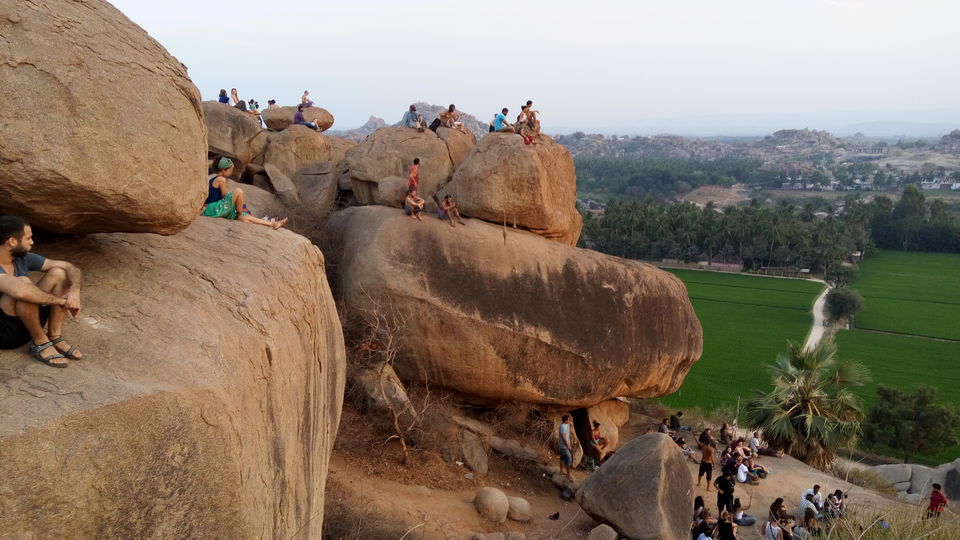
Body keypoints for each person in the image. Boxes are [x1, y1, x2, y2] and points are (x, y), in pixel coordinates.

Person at [0, 216, 84, 368]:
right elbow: (20, 292)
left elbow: (69, 266)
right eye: (28, 238)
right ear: (12, 241)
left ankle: (54, 335)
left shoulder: (21, 258)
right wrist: (64, 303)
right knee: (24, 284)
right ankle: (41, 342)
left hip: (26, 323)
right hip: (5, 333)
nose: (32, 242)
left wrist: (74, 292)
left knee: (59, 273)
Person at [202, 157, 288, 229]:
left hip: (211, 207)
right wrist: (237, 205)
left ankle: (272, 224)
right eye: (230, 170)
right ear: (224, 170)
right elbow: (225, 196)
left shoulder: (212, 177)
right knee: (238, 192)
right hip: (214, 208)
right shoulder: (221, 179)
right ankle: (240, 214)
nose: (231, 172)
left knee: (245, 218)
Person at [558, 414, 573, 480]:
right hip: (564, 446)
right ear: (566, 420)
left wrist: (571, 425)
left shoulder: (565, 425)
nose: (569, 420)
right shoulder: (563, 427)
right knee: (568, 459)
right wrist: (568, 446)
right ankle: (568, 475)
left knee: (562, 458)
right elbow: (564, 438)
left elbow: (569, 431)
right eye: (568, 419)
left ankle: (561, 471)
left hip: (563, 446)